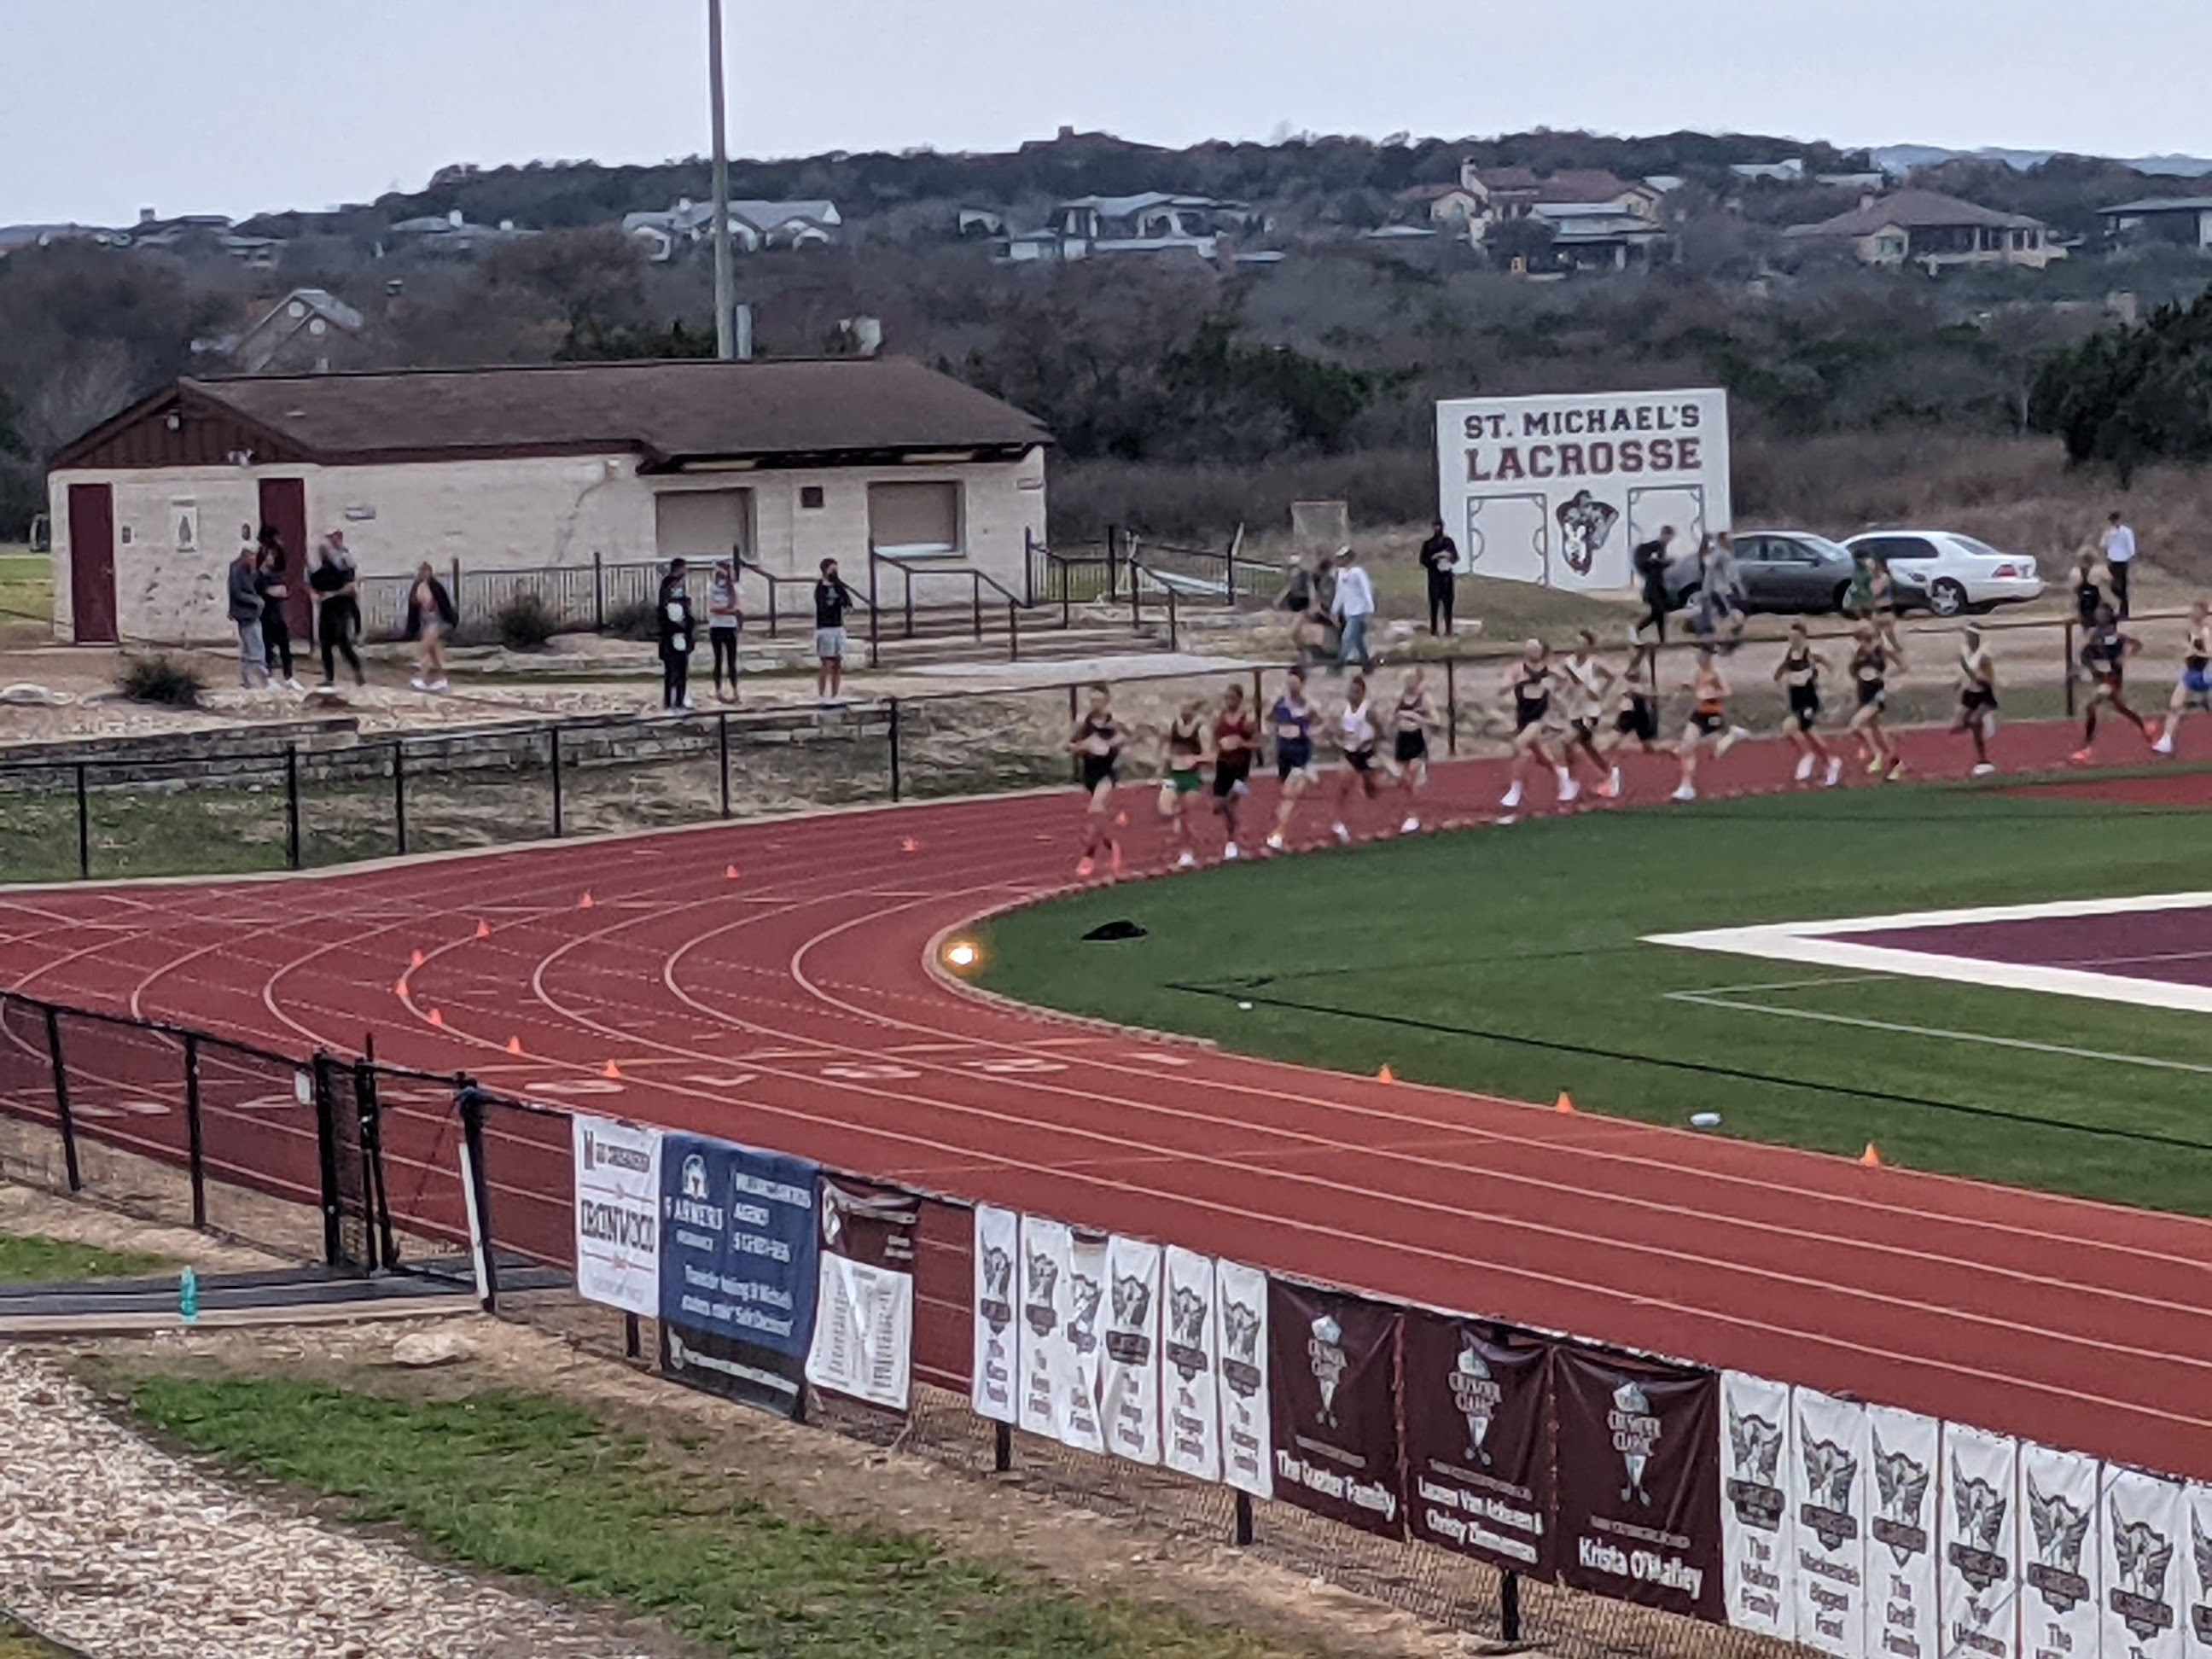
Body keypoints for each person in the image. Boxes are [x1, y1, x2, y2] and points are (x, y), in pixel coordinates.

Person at [2073, 603, 2150, 763]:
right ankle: (2145, 727)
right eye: (2097, 613)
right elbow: (2085, 654)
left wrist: (2124, 656)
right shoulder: (2095, 634)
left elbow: (2134, 645)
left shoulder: (2113, 635)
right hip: (2100, 677)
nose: (2098, 616)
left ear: (2108, 617)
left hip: (2111, 678)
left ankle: (2087, 747)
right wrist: (2089, 667)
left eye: (2102, 614)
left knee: (2091, 706)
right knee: (2120, 707)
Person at [1499, 639, 1570, 811]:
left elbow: (1565, 681)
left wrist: (1554, 690)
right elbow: (1501, 689)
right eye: (1529, 648)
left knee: (1519, 746)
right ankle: (1562, 775)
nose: (1533, 652)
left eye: (1536, 649)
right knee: (1541, 757)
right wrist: (1521, 681)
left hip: (1540, 716)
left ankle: (1515, 791)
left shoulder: (1550, 669)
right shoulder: (1517, 669)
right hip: (1523, 715)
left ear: (1542, 651)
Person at [1773, 621, 1842, 787]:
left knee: (1796, 729)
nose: (1792, 641)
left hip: (1808, 701)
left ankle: (1824, 760)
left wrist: (1830, 680)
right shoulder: (1790, 654)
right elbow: (1780, 671)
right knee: (1804, 734)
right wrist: (1780, 679)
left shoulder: (1810, 654)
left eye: (1795, 637)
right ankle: (1824, 759)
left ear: (1803, 637)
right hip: (1795, 700)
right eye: (1790, 638)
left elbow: (1828, 664)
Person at [1672, 647, 1743, 802]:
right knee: (1686, 747)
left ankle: (1732, 735)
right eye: (1699, 655)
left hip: (1712, 713)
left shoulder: (1716, 674)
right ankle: (1686, 787)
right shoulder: (1697, 673)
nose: (1700, 658)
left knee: (1716, 752)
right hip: (1698, 713)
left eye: (1703, 656)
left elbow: (1727, 692)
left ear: (1709, 658)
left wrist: (1713, 694)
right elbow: (1697, 688)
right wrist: (1685, 687)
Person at [1068, 684, 1124, 878]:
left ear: (1107, 701)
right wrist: (1084, 746)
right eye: (1092, 700)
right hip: (1089, 775)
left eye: (1099, 700)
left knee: (1095, 809)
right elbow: (1068, 745)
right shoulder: (1082, 723)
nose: (1095, 704)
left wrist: (1107, 745)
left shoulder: (1113, 724)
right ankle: (1112, 843)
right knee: (1099, 816)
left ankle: (1088, 856)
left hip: (1106, 775)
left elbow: (1121, 741)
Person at [1598, 629, 1662, 799]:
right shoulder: (1638, 666)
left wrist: (1639, 649)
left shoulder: (1637, 667)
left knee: (1611, 745)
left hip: (1635, 709)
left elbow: (1635, 672)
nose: (1629, 651)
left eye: (1632, 648)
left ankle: (1613, 781)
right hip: (1633, 708)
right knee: (1616, 746)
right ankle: (1613, 780)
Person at [1265, 667, 1319, 853]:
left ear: (1302, 684)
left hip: (1300, 754)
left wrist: (1314, 733)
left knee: (1288, 796)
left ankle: (1278, 835)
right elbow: (1269, 718)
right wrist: (1271, 732)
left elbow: (1322, 721)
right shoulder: (1279, 703)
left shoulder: (1308, 705)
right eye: (1289, 682)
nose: (1291, 686)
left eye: (1295, 682)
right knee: (1285, 795)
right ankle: (1284, 831)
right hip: (1283, 755)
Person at [1558, 630, 1614, 795]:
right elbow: (1562, 682)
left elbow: (1611, 676)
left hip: (1590, 713)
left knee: (1567, 741)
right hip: (1574, 711)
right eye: (1576, 643)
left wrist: (1601, 693)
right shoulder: (1567, 662)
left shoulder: (1593, 664)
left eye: (1582, 645)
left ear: (1589, 647)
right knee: (1588, 747)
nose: (1578, 647)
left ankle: (1572, 782)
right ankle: (1609, 771)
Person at [2153, 598, 2210, 755]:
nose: (2192, 613)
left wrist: (2194, 652)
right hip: (2191, 672)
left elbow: (2210, 653)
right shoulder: (2191, 630)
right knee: (2175, 705)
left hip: (2207, 673)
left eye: (2195, 610)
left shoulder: (2206, 630)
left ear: (2202, 613)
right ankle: (2166, 741)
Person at [1158, 696, 1210, 869]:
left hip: (1192, 777)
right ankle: (1186, 840)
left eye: (1187, 709)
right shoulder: (1174, 726)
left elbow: (1210, 756)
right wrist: (1163, 762)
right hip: (1174, 775)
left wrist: (1195, 759)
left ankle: (1187, 852)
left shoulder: (1201, 729)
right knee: (1165, 808)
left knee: (1186, 816)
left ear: (1194, 710)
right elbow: (1167, 747)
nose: (1183, 712)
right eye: (1182, 709)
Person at [308, 532, 364, 690]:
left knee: (343, 642)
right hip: (326, 611)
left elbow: (351, 588)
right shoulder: (319, 574)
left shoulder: (342, 570)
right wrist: (315, 594)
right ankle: (329, 677)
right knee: (325, 645)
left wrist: (332, 594)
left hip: (341, 609)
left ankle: (357, 671)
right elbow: (314, 589)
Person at [1210, 682, 1260, 859]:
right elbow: (1214, 738)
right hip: (1223, 764)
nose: (1228, 701)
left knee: (1230, 801)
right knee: (1221, 804)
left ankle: (1233, 840)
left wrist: (1241, 743)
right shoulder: (1220, 718)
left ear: (1239, 699)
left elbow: (1258, 743)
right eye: (1226, 698)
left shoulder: (1246, 720)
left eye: (1232, 698)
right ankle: (1234, 835)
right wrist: (1217, 750)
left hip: (1240, 767)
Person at [1330, 673, 1381, 844]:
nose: (1352, 694)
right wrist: (1338, 740)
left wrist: (1369, 741)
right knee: (1343, 787)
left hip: (1366, 752)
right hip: (1350, 753)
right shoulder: (1345, 710)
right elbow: (1343, 731)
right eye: (1351, 691)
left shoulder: (1368, 710)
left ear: (1362, 693)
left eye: (1356, 692)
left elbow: (1380, 730)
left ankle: (1378, 815)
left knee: (1371, 789)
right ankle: (1338, 823)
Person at [1847, 620, 1901, 780]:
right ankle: (1896, 764)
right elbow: (1851, 670)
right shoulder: (1858, 651)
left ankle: (1877, 754)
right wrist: (1859, 674)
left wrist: (1887, 677)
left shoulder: (1881, 649)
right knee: (1877, 730)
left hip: (1876, 692)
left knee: (1855, 725)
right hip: (1863, 691)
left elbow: (1902, 665)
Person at [1387, 667, 1440, 832]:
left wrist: (1418, 718)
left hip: (1416, 739)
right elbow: (1390, 717)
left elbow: (1436, 721)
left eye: (1411, 678)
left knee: (1412, 773)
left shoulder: (1424, 699)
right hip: (1402, 739)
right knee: (1403, 779)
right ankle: (1410, 810)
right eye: (1405, 678)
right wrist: (1394, 720)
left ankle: (1414, 815)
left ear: (1418, 680)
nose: (1407, 681)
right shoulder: (1400, 697)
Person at [255, 529, 300, 693]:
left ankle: (289, 677)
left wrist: (281, 591)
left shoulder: (277, 571)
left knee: (284, 644)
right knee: (267, 645)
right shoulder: (260, 574)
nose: (272, 557)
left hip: (278, 612)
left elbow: (282, 585)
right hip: (266, 613)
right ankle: (269, 678)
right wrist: (271, 591)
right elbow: (260, 589)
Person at [1953, 625, 2000, 776]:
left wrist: (1971, 673)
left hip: (1984, 694)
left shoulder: (1984, 656)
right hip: (1970, 693)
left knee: (1975, 722)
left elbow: (1989, 679)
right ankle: (1970, 726)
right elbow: (1963, 673)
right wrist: (1959, 682)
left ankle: (1983, 761)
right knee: (1958, 725)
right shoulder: (1965, 652)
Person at [403, 560, 456, 692]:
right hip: (426, 621)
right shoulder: (419, 586)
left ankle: (421, 677)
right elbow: (415, 604)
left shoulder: (435, 587)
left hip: (436, 621)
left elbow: (437, 605)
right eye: (422, 571)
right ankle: (442, 679)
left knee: (425, 648)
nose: (423, 573)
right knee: (433, 652)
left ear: (430, 572)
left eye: (425, 571)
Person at [813, 556, 855, 703]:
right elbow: (823, 606)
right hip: (825, 628)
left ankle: (835, 694)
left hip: (838, 627)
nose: (834, 572)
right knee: (827, 663)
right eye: (832, 569)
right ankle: (822, 695)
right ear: (825, 570)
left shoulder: (839, 586)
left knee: (838, 662)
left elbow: (847, 601)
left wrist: (848, 605)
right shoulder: (820, 587)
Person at [227, 544, 269, 690]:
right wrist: (255, 601)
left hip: (249, 612)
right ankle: (261, 680)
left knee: (248, 649)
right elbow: (237, 592)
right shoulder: (237, 569)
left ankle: (248, 682)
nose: (254, 560)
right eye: (252, 557)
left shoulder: (249, 569)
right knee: (256, 649)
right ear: (246, 556)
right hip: (246, 613)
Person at [656, 558, 696, 712]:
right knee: (672, 670)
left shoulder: (682, 585)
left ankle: (680, 699)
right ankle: (669, 701)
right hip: (670, 635)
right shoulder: (667, 584)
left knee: (682, 669)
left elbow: (686, 610)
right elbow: (663, 609)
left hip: (683, 634)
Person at [1330, 546, 1375, 672]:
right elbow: (1340, 593)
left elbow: (1366, 589)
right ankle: (1367, 664)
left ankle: (1339, 663)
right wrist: (1335, 609)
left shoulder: (1358, 572)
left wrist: (1369, 608)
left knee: (1347, 637)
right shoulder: (1341, 574)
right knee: (1358, 640)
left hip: (1359, 611)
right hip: (1348, 611)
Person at [707, 558, 743, 703]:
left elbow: (739, 607)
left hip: (730, 626)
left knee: (732, 661)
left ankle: (735, 690)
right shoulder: (711, 587)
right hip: (716, 626)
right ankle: (718, 690)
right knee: (718, 660)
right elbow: (712, 607)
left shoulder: (735, 587)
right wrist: (728, 610)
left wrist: (725, 609)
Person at [1633, 525, 1677, 643]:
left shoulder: (1660, 548)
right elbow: (1653, 563)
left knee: (1660, 613)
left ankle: (1662, 639)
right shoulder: (1656, 546)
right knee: (1659, 611)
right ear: (1664, 535)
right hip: (1652, 586)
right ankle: (1636, 628)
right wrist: (1667, 563)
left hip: (1657, 585)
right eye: (1669, 537)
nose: (1669, 541)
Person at [1418, 520, 1459, 636]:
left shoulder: (1449, 542)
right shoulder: (1428, 544)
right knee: (1434, 603)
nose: (1437, 529)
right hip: (1434, 576)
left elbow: (1456, 557)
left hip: (1447, 575)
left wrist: (1448, 556)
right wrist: (1434, 559)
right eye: (1435, 526)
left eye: (1439, 526)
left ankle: (1449, 629)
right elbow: (1423, 560)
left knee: (1448, 603)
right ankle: (1434, 629)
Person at [2100, 510, 2136, 619]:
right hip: (2112, 561)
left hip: (2123, 561)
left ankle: (2124, 612)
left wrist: (2129, 556)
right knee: (2112, 587)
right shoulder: (2108, 532)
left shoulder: (2126, 532)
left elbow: (2131, 547)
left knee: (2122, 587)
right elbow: (2103, 545)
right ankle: (2114, 610)